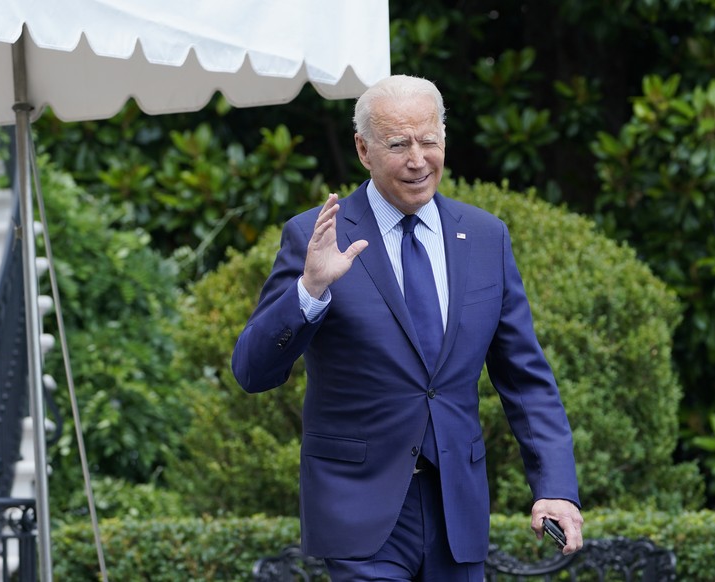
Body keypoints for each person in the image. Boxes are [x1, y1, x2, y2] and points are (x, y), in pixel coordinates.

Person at [232, 74, 583, 581]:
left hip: (456, 510)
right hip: (359, 510)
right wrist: (309, 291)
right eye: (399, 144)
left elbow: (526, 378)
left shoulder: (486, 237)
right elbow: (252, 371)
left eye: (429, 141)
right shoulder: (316, 236)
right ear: (363, 149)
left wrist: (554, 486)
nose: (418, 160)